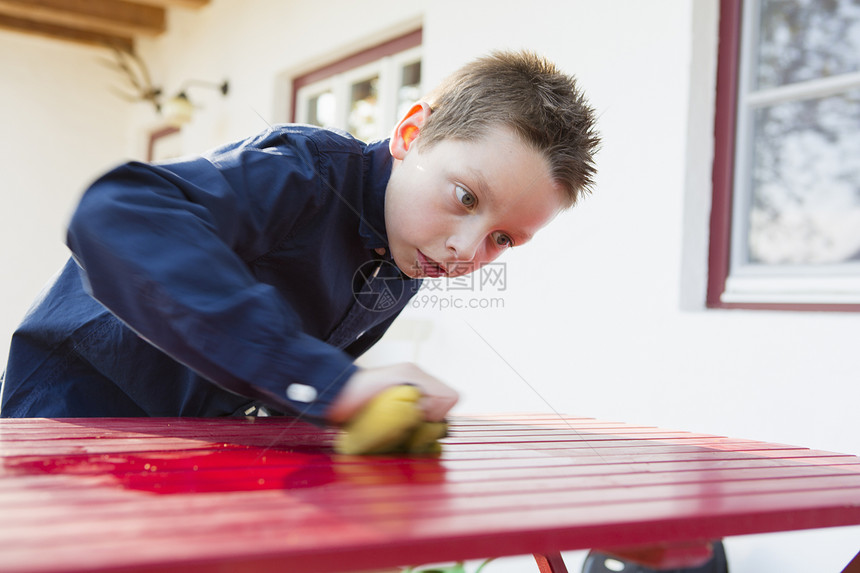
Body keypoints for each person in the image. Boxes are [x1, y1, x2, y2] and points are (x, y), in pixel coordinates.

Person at [0, 50, 600, 428]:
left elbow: (279, 373)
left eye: (503, 238)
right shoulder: (300, 173)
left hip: (185, 445)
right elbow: (116, 211)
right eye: (466, 197)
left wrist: (355, 413)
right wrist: (330, 384)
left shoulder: (410, 250)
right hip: (69, 418)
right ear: (412, 133)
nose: (467, 252)